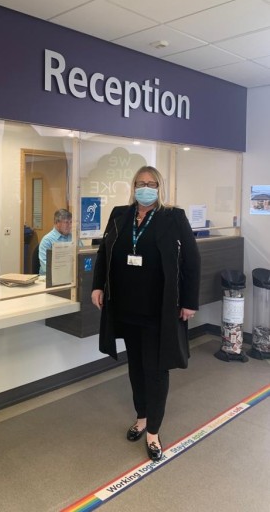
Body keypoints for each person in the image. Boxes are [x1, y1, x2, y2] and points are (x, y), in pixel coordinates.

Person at [91, 166, 200, 462]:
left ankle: (153, 429)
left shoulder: (172, 217)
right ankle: (141, 416)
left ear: (159, 187)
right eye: (141, 183)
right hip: (126, 307)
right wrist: (98, 286)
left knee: (156, 369)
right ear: (133, 186)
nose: (146, 188)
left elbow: (191, 260)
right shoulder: (119, 215)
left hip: (158, 310)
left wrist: (189, 301)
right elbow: (104, 253)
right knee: (136, 366)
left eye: (151, 184)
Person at [38, 209, 73, 275]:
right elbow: (45, 266)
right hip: (49, 278)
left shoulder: (73, 238)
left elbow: (80, 256)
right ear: (57, 223)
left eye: (70, 222)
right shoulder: (47, 240)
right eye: (66, 222)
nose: (70, 225)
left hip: (70, 276)